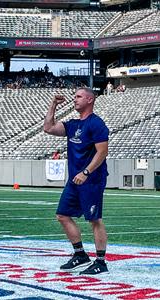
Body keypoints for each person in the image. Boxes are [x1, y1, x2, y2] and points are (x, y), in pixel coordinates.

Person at [44, 87, 109, 275]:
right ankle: (80, 254)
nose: (75, 100)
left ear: (90, 100)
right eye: (75, 97)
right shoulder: (72, 124)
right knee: (62, 215)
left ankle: (101, 261)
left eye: (79, 97)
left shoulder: (96, 123)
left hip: (91, 179)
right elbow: (48, 127)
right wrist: (53, 105)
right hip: (74, 179)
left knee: (94, 219)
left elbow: (102, 151)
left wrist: (86, 172)